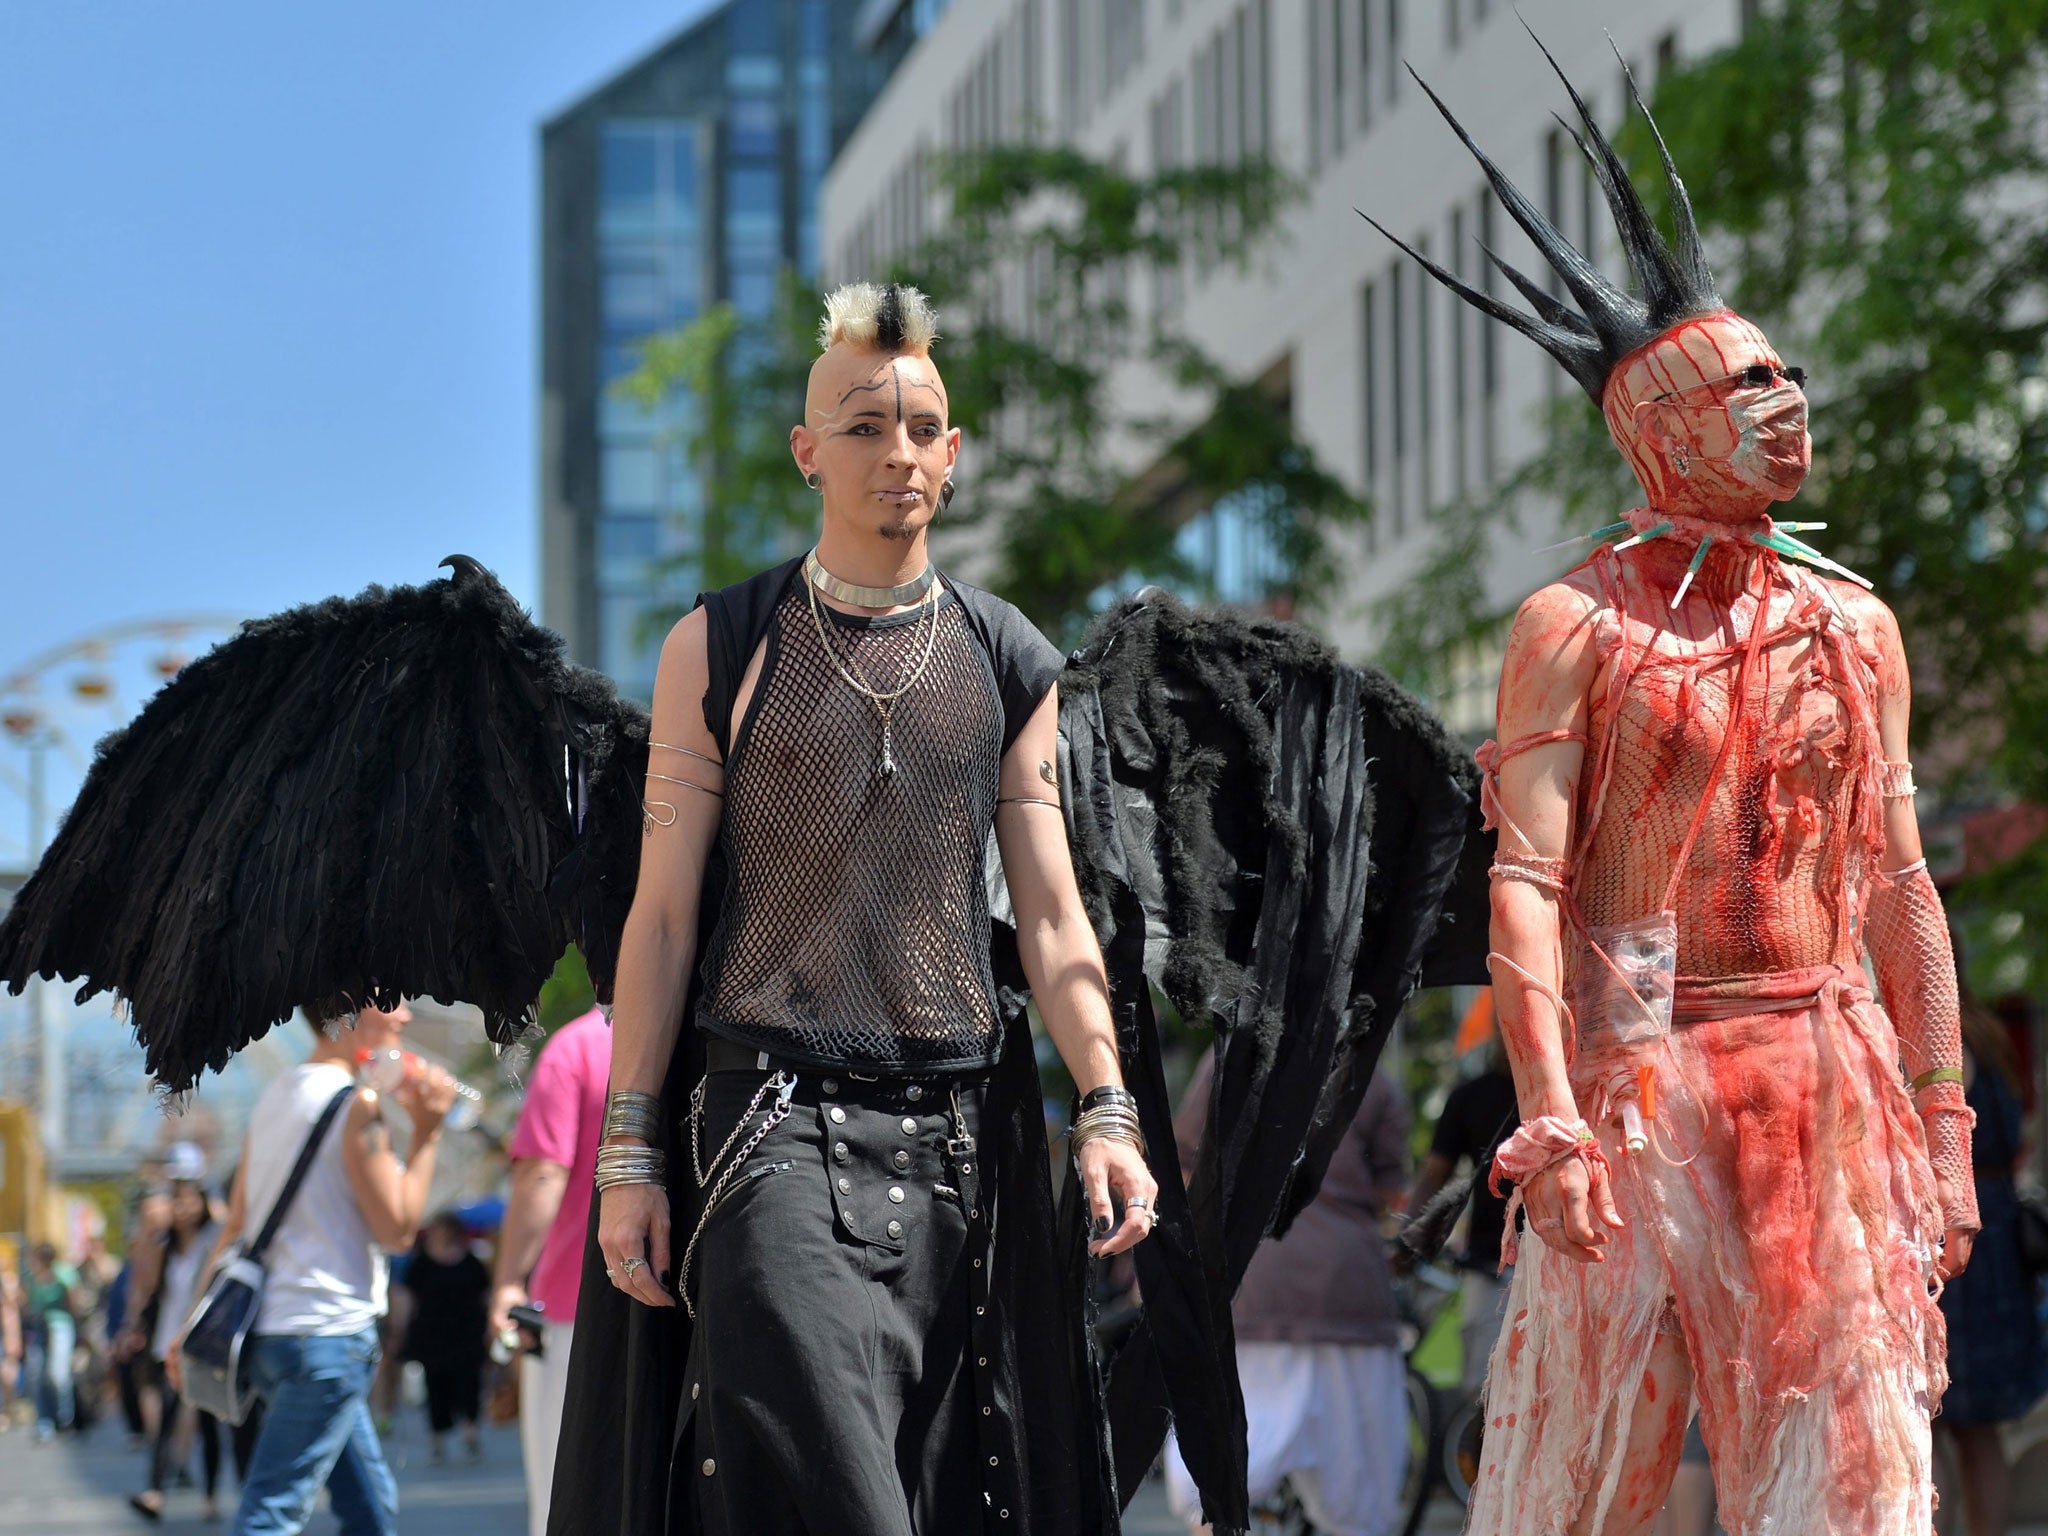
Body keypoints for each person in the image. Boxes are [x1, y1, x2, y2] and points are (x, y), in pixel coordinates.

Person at [1376, 40, 1975, 1534]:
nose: (1785, 398)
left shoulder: (1856, 624)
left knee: (1856, 1481)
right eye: (1743, 383)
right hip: (1644, 1034)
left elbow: (1900, 880)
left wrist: (1946, 1112)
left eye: (1785, 372)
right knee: (1572, 1480)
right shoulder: (1575, 627)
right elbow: (1532, 882)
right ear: (1655, 428)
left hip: (1827, 1057)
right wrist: (1562, 1112)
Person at [561, 280, 1158, 1536]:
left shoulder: (1008, 658)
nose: (897, 453)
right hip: (765, 1125)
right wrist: (627, 1155)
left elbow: (1051, 919)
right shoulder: (719, 647)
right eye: (863, 426)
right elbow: (661, 918)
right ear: (806, 452)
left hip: (958, 1145)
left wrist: (1105, 1106)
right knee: (848, 1499)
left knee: (938, 1496)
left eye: (922, 427)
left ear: (955, 449)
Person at [171, 1000, 455, 1536]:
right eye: (390, 999)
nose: (404, 1016)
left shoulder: (276, 1096)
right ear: (350, 1014)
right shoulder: (357, 1106)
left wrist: (191, 1319)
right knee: (270, 1513)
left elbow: (236, 1226)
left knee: (371, 1507)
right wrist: (427, 1131)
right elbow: (397, 1230)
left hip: (272, 1336)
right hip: (327, 1337)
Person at [1165, 1052, 1412, 1536]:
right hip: (1347, 1288)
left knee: (1216, 1485)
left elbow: (1186, 1162)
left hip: (1250, 1278)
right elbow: (1391, 1188)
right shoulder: (1368, 1077)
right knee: (1359, 1500)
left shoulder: (1228, 1060)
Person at [488, 1003, 608, 1536]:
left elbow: (543, 1176)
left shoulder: (576, 1048)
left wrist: (509, 1280)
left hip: (572, 1305)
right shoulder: (701, 1036)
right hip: (690, 1299)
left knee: (561, 1493)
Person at [1936, 993, 2048, 1536]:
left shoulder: (1939, 1044)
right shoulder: (1993, 1033)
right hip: (1999, 1240)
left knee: (1929, 1427)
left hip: (1955, 1246)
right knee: (1979, 1433)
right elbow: (2021, 1129)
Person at [1408, 1036, 1518, 1391]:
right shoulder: (1470, 1097)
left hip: (1564, 1263)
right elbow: (1434, 1175)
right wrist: (1410, 1237)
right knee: (1483, 1392)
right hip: (1489, 1268)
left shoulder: (1576, 1092)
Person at [129, 1153, 226, 1520]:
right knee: (167, 1418)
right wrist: (148, 1234)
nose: (183, 1209)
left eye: (190, 1200)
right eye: (177, 1201)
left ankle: (212, 1496)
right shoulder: (165, 1244)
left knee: (208, 1422)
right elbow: (149, 1283)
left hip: (201, 1344)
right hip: (168, 1340)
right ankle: (154, 1491)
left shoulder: (212, 1241)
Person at [402, 1211, 489, 1462]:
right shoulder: (420, 1263)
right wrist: (399, 1329)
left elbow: (485, 1294)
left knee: (469, 1382)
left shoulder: (472, 1262)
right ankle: (437, 1437)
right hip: (431, 1333)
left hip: (467, 1332)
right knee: (435, 1384)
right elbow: (407, 1298)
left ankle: (470, 1432)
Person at [23, 1239, 82, 1441]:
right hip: (39, 1327)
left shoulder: (63, 1274)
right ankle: (44, 1421)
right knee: (36, 1374)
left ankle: (65, 1418)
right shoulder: (32, 1277)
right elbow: (27, 1303)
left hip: (60, 1326)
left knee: (58, 1375)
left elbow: (75, 1303)